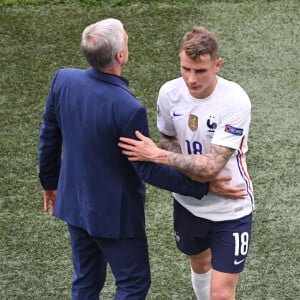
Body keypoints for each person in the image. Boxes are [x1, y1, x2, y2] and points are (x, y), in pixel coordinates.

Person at [38, 19, 246, 300]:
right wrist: (204, 188)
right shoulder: (128, 107)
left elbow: (49, 135)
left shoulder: (63, 79)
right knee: (133, 284)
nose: (191, 77)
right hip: (116, 215)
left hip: (74, 204)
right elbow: (147, 168)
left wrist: (50, 183)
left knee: (85, 283)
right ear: (121, 55)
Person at [119, 26, 254, 300]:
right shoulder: (169, 93)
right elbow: (169, 137)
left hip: (231, 207)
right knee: (199, 264)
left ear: (217, 64)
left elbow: (212, 168)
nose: (191, 79)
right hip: (187, 203)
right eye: (185, 69)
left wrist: (158, 155)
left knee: (221, 294)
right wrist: (194, 179)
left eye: (200, 71)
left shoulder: (235, 100)